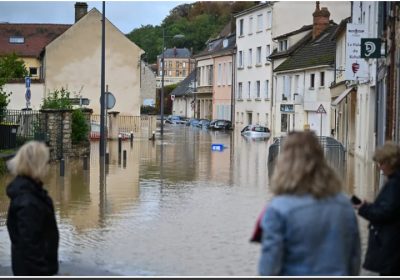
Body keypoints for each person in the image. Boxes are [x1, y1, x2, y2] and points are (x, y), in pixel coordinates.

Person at [258, 131, 361, 276]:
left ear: (284, 162)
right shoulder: (344, 205)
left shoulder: (278, 209)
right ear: (321, 159)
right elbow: (354, 262)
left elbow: (268, 269)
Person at [5, 141, 59, 276]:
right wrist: (44, 271)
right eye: (46, 162)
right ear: (37, 164)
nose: (48, 166)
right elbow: (29, 245)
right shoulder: (28, 200)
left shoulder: (29, 191)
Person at [353, 141, 400, 276]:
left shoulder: (395, 184)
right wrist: (368, 206)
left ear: (391, 162)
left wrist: (364, 209)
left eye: (382, 163)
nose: (380, 168)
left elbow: (386, 212)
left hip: (391, 247)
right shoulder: (394, 181)